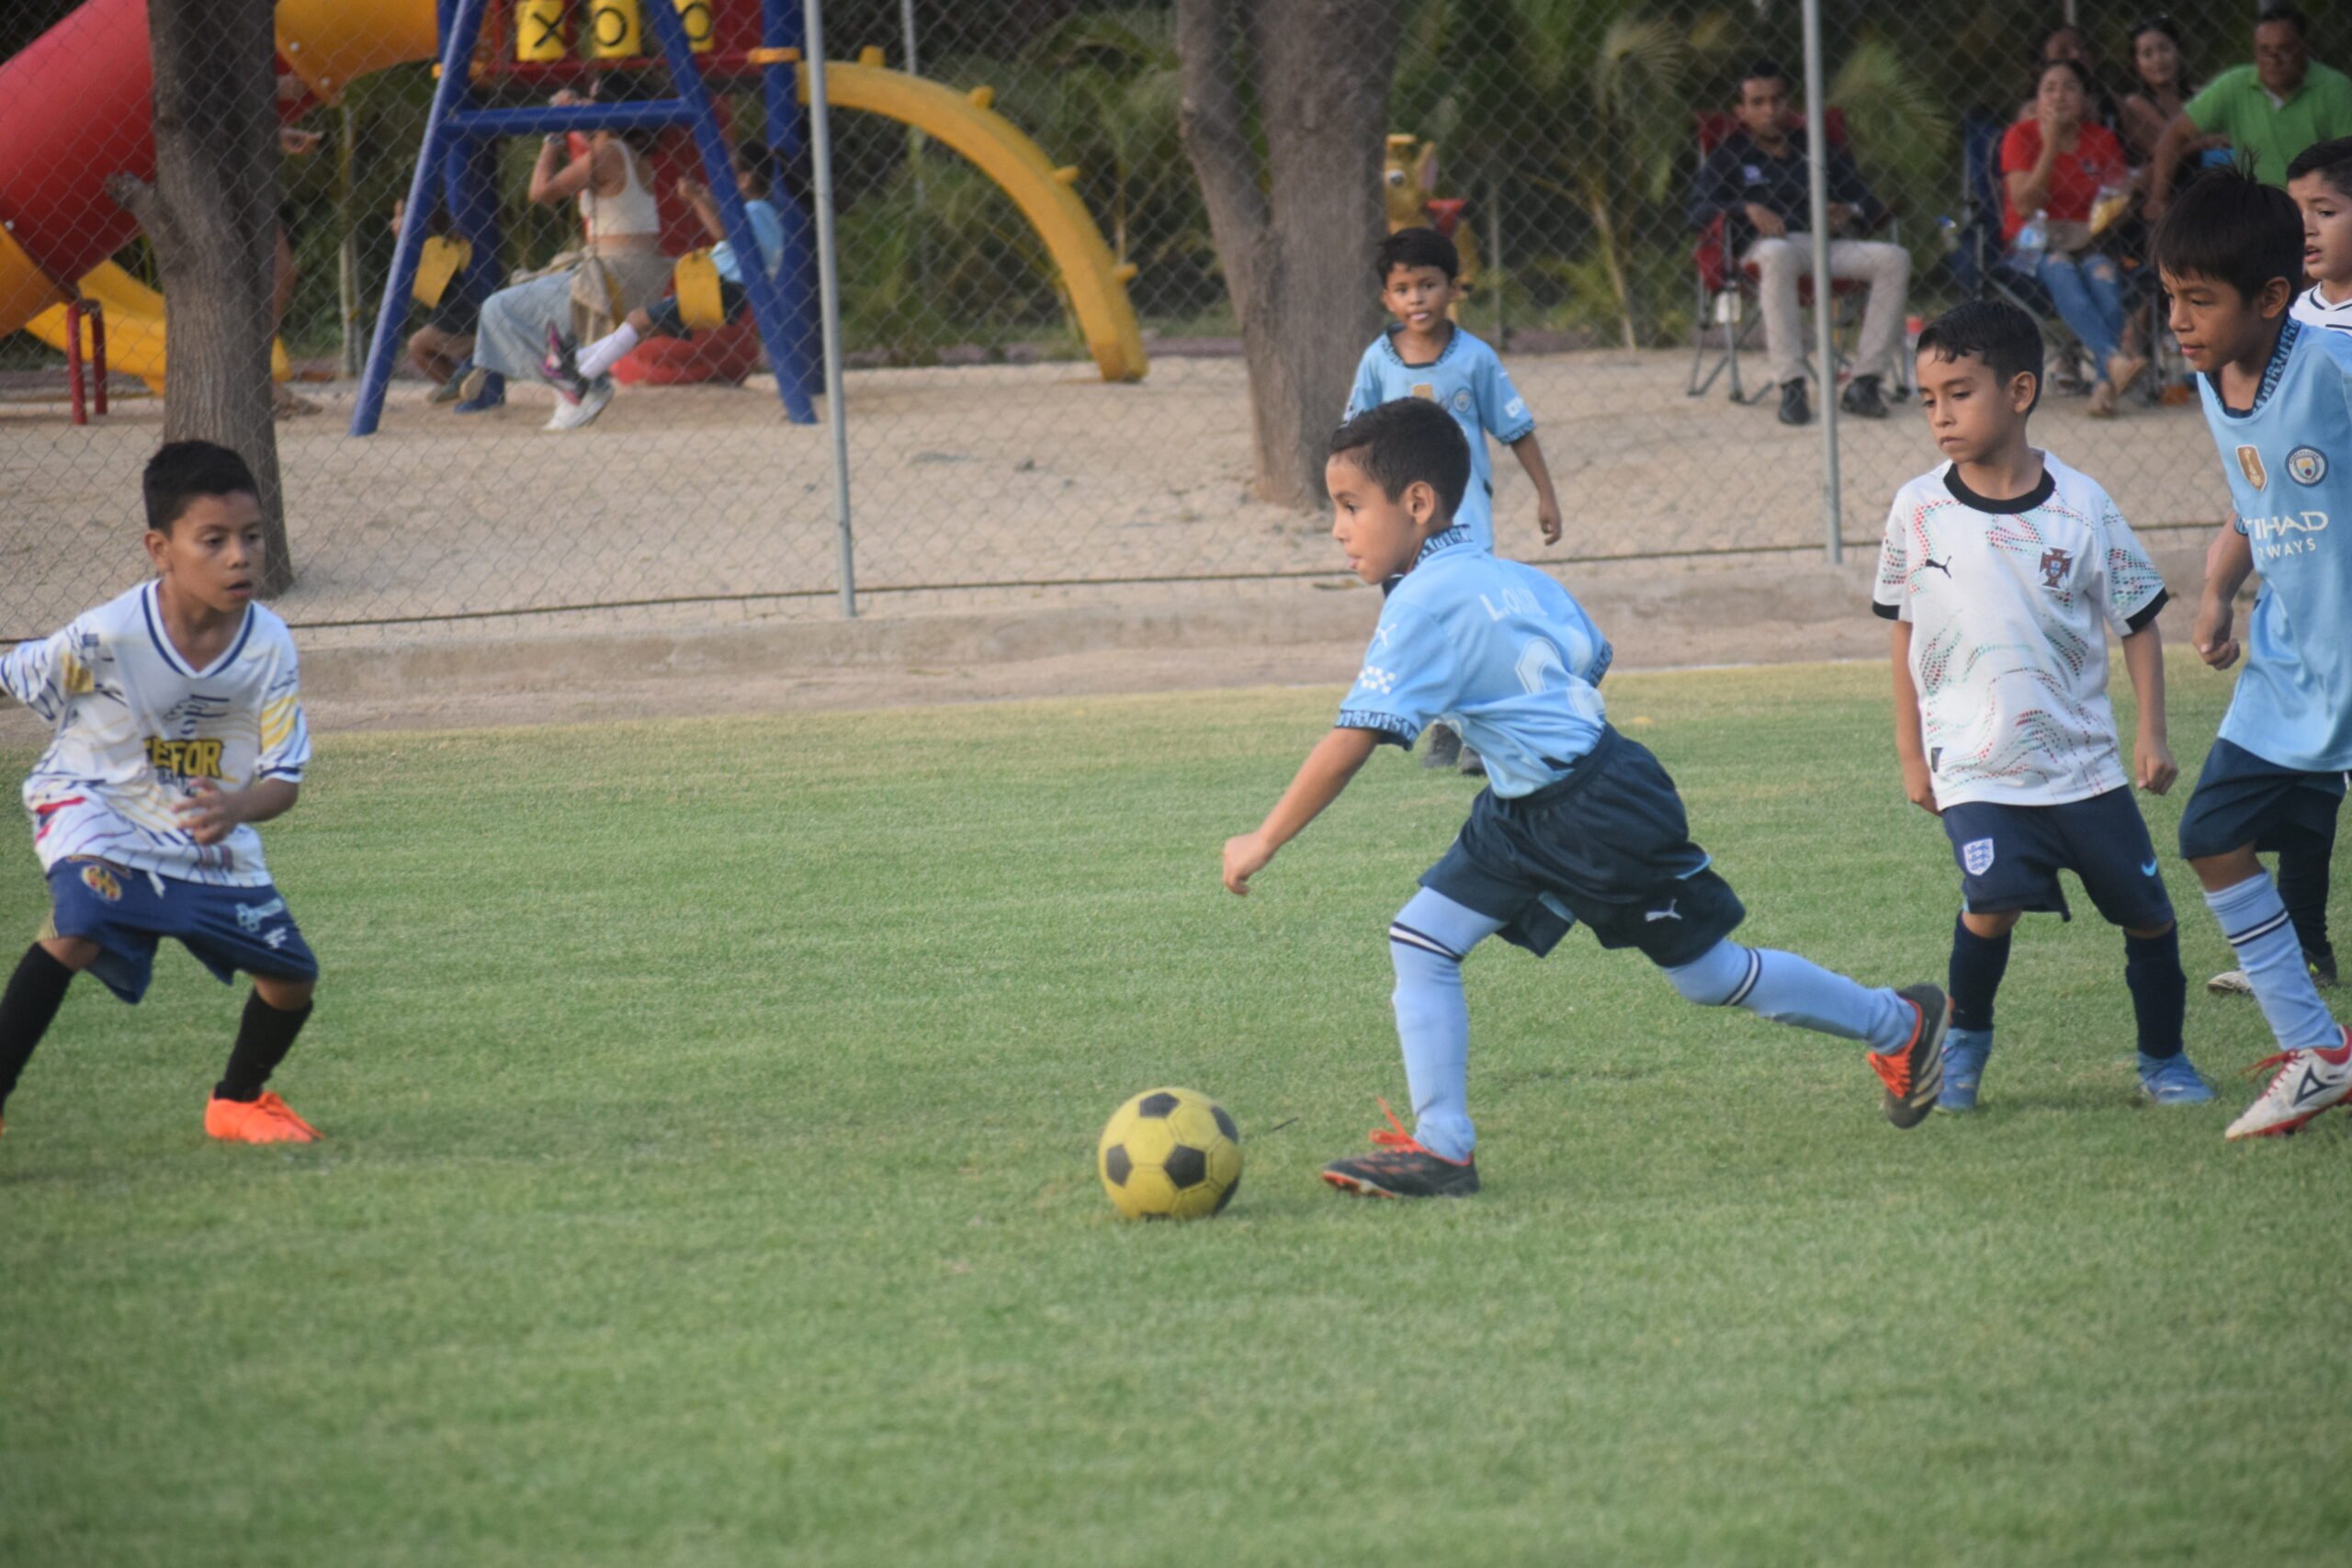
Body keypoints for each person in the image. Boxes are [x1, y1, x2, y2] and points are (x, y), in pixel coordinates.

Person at [1216, 400, 1951, 1198]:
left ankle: (1902, 1024)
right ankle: (1443, 1146)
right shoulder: (1513, 576)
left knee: (1706, 975)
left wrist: (1264, 838)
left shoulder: (1421, 601)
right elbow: (1589, 660)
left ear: (1418, 505)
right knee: (1421, 939)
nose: (1337, 528)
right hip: (1532, 804)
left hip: (1597, 812)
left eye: (1351, 506)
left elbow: (1352, 738)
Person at [1878, 299, 2206, 1111]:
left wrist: (2151, 735)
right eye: (1928, 399)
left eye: (1959, 392)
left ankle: (2163, 1060)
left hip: (2084, 767)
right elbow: (1903, 635)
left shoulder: (2081, 505)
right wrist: (1912, 755)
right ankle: (1963, 1051)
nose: (1941, 415)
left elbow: (2137, 621)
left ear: (2020, 390)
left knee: (2150, 917)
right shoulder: (1917, 509)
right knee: (1989, 907)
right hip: (1977, 765)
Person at [0, 443, 322, 1145]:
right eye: (214, 540)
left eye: (252, 536)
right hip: (93, 805)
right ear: (161, 548)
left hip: (202, 825)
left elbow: (284, 779)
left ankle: (236, 1101)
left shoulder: (269, 645)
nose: (239, 556)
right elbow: (18, 672)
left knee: (292, 976)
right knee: (77, 921)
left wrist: (236, 806)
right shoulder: (108, 633)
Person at [2153, 166, 2352, 1138]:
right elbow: (2254, 494)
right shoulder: (2208, 375)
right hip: (2290, 666)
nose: (2179, 321)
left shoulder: (2333, 365)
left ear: (2271, 299)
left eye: (2200, 300)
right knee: (2208, 836)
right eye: (2170, 299)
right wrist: (2217, 592)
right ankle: (2317, 1050)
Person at [2199, 134, 2352, 1002]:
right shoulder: (2281, 330)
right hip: (2304, 615)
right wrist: (2220, 586)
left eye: (2323, 211)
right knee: (2302, 791)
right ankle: (2303, 950)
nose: (2304, 231)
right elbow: (2259, 487)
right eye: (2295, 215)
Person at [1341, 225, 1563, 774]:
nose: (1416, 299)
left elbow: (1516, 429)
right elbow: (1353, 436)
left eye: (1428, 284)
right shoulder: (1379, 362)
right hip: (1400, 533)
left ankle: (1477, 735)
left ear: (1454, 289)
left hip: (1464, 525)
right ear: (1385, 298)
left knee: (1470, 621)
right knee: (1416, 620)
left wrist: (1546, 495)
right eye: (1403, 289)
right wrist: (1351, 508)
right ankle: (1439, 723)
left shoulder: (1476, 360)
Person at [1690, 60, 1909, 426]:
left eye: (1777, 100)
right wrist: (1746, 208)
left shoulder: (1817, 149)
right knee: (1778, 254)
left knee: (1894, 258)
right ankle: (1792, 385)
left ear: (1789, 103)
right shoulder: (1729, 155)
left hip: (1827, 245)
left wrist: (1848, 210)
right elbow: (1696, 212)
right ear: (1741, 111)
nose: (1770, 110)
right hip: (1767, 248)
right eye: (1758, 102)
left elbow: (1869, 204)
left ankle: (1865, 383)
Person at [453, 86, 672, 423]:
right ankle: (572, 386)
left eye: (590, 98)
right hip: (635, 273)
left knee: (499, 307)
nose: (583, 103)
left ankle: (581, 381)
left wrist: (553, 133)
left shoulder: (608, 152)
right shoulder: (630, 153)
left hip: (614, 275)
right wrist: (576, 120)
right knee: (544, 310)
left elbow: (541, 192)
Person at [541, 141, 788, 432]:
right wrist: (704, 200)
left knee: (638, 319)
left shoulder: (755, 209)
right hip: (730, 294)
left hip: (718, 289)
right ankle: (578, 364)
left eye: (728, 174)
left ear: (745, 179)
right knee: (644, 328)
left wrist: (696, 198)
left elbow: (724, 232)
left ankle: (579, 373)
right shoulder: (771, 214)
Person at [2002, 60, 2147, 416]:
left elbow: (2116, 204)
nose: (2059, 96)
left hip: (2090, 241)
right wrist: (2050, 144)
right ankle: (2112, 362)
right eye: (2049, 88)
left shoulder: (2101, 139)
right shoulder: (2021, 136)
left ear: (2084, 98)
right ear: (2037, 98)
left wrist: (2122, 196)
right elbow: (2023, 204)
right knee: (2061, 270)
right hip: (2037, 245)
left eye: (2069, 87)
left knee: (2104, 276)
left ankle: (2102, 384)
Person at [2145, 6, 2352, 218]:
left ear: (2304, 48)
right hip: (2258, 215)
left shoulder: (2335, 90)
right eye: (2265, 50)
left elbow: (2348, 163)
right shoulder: (2234, 86)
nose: (2274, 58)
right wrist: (2158, 199)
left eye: (2285, 49)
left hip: (2318, 212)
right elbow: (2175, 133)